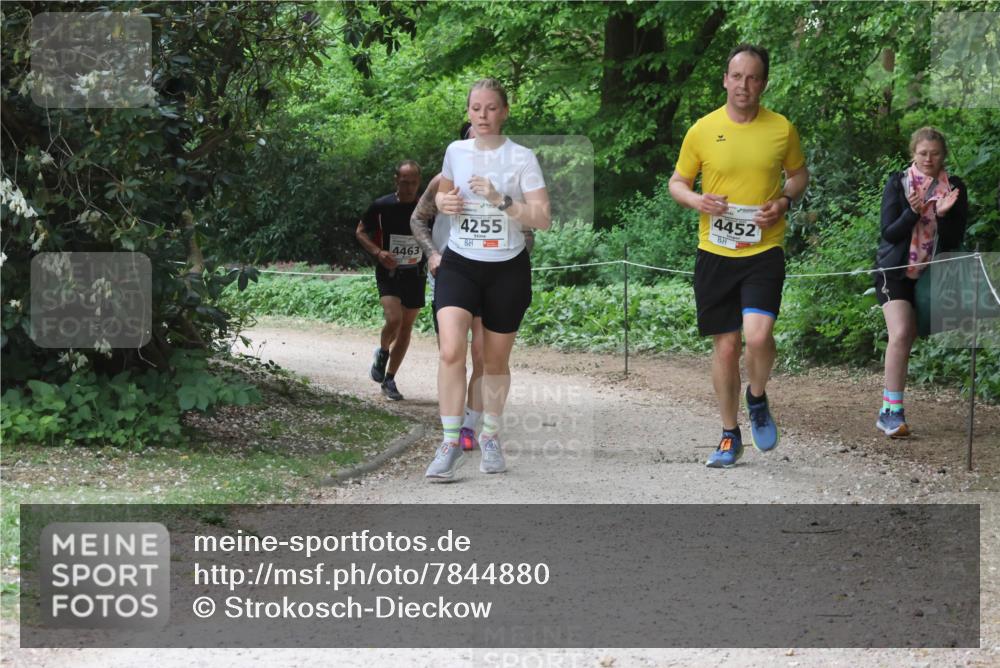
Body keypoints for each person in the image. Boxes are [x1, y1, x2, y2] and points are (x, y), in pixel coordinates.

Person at [668, 44, 809, 469]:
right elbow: (677, 182)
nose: (743, 85)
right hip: (715, 251)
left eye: (752, 78)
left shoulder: (781, 128)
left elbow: (799, 174)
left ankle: (758, 396)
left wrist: (783, 202)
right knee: (726, 348)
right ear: (725, 79)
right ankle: (730, 435)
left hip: (764, 248)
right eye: (736, 76)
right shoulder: (702, 130)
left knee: (759, 336)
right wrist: (698, 201)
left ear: (763, 83)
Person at [423, 78, 551, 480]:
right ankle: (449, 443)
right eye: (476, 108)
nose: (483, 115)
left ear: (505, 111)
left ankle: (490, 436)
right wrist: (444, 201)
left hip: (506, 268)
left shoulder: (522, 158)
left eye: (491, 108)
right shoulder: (455, 152)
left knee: (494, 361)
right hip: (460, 263)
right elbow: (442, 199)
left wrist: (501, 200)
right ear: (468, 112)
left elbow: (542, 218)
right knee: (451, 351)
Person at [412, 122, 537, 453]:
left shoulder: (511, 173)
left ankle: (471, 424)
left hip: (498, 271)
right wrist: (433, 254)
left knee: (484, 355)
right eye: (471, 141)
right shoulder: (443, 178)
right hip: (453, 269)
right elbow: (416, 218)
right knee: (452, 351)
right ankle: (450, 437)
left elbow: (529, 230)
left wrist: (510, 252)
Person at [874, 126, 967, 438]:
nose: (929, 158)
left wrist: (943, 215)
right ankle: (892, 413)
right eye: (923, 153)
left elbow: (954, 239)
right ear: (913, 153)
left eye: (935, 153)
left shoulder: (954, 187)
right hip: (895, 270)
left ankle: (888, 406)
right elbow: (889, 233)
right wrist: (912, 212)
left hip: (930, 273)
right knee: (900, 332)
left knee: (910, 336)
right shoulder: (897, 183)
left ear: (944, 156)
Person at [355, 160, 424, 401]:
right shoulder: (382, 206)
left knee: (406, 327)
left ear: (419, 182)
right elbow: (360, 231)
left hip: (416, 273)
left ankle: (390, 378)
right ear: (396, 180)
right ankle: (383, 351)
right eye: (404, 182)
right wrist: (378, 253)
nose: (408, 188)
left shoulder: (425, 208)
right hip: (389, 272)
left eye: (413, 183)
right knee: (394, 319)